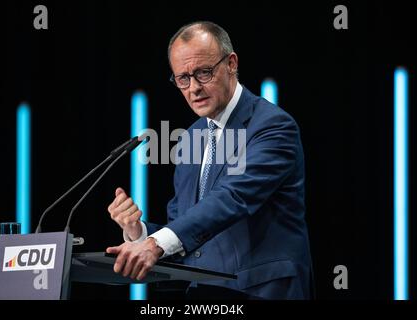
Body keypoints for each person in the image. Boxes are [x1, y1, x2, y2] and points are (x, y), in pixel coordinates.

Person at [106, 21, 313, 299]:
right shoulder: (191, 137)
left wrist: (155, 244)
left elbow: (233, 197)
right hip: (205, 296)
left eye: (203, 73)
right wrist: (140, 232)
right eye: (183, 78)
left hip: (263, 291)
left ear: (231, 63)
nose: (194, 88)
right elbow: (184, 225)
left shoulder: (272, 126)